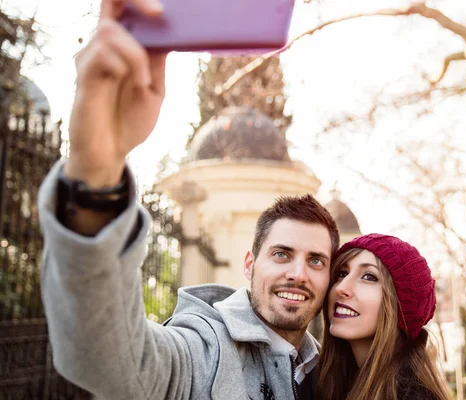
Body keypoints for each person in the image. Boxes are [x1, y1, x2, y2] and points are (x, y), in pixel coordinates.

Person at [37, 0, 340, 399]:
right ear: (249, 265)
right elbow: (109, 361)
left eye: (315, 260)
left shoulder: (334, 375)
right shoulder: (202, 352)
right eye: (281, 253)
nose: (298, 273)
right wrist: (95, 172)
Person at [318, 234, 451, 400]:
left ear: (399, 306)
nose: (341, 287)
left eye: (368, 277)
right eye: (342, 273)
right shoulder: (331, 384)